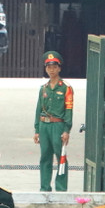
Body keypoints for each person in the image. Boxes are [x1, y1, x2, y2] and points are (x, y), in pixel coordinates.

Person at [33, 52, 73, 192]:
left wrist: (66, 130)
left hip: (58, 125)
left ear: (59, 68)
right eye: (49, 67)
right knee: (45, 156)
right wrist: (37, 130)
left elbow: (69, 110)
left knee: (60, 156)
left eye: (54, 66)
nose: (51, 70)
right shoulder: (43, 88)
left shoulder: (65, 88)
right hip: (44, 125)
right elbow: (38, 109)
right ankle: (44, 188)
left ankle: (61, 188)